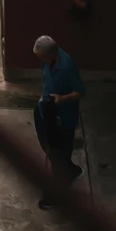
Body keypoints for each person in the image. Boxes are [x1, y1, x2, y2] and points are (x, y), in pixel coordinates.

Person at [32, 33, 84, 196]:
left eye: (42, 57)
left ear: (52, 54)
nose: (41, 61)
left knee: (60, 148)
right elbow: (47, 79)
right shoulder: (48, 61)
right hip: (46, 109)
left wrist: (62, 98)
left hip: (63, 115)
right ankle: (66, 168)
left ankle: (60, 186)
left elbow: (80, 91)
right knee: (50, 146)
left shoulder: (67, 66)